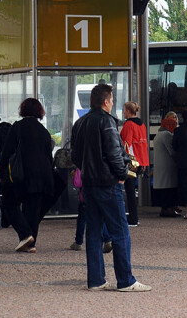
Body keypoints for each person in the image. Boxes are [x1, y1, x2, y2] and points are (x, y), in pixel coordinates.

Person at [71, 83, 151, 292]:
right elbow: (114, 153)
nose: (113, 103)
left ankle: (96, 280)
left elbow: (75, 156)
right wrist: (122, 175)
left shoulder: (80, 123)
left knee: (94, 231)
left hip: (89, 184)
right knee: (120, 231)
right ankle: (126, 281)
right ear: (106, 102)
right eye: (112, 100)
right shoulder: (107, 122)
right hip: (108, 184)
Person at [0, 98, 55, 253]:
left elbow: (7, 152)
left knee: (8, 203)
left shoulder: (17, 127)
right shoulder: (43, 131)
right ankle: (30, 244)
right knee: (33, 209)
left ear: (23, 110)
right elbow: (48, 155)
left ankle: (25, 235)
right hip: (42, 176)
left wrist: (1, 173)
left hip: (21, 174)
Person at [69, 167, 113, 254]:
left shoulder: (83, 162)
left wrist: (75, 174)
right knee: (100, 217)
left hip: (86, 195)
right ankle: (107, 239)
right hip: (100, 192)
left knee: (82, 219)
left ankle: (78, 242)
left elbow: (77, 183)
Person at [120, 101, 150, 227]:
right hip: (140, 160)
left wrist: (124, 160)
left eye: (124, 110)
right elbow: (143, 144)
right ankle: (133, 217)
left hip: (131, 161)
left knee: (129, 191)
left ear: (128, 111)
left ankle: (133, 218)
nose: (123, 112)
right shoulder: (142, 124)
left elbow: (126, 144)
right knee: (131, 190)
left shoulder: (128, 125)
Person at [152, 112, 180, 217]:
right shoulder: (167, 135)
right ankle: (168, 208)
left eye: (175, 117)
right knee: (169, 188)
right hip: (168, 167)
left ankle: (167, 208)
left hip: (161, 167)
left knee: (163, 187)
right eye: (172, 119)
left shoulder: (159, 134)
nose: (175, 121)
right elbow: (172, 151)